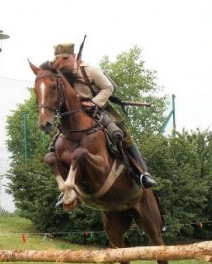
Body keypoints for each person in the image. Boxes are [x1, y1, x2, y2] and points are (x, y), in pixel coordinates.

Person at [51, 43, 156, 189]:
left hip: (97, 109)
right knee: (56, 141)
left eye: (65, 58)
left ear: (73, 56)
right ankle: (66, 188)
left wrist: (94, 103)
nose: (62, 62)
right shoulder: (58, 75)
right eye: (58, 59)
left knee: (122, 133)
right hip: (73, 114)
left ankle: (143, 174)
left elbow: (108, 87)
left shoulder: (89, 70)